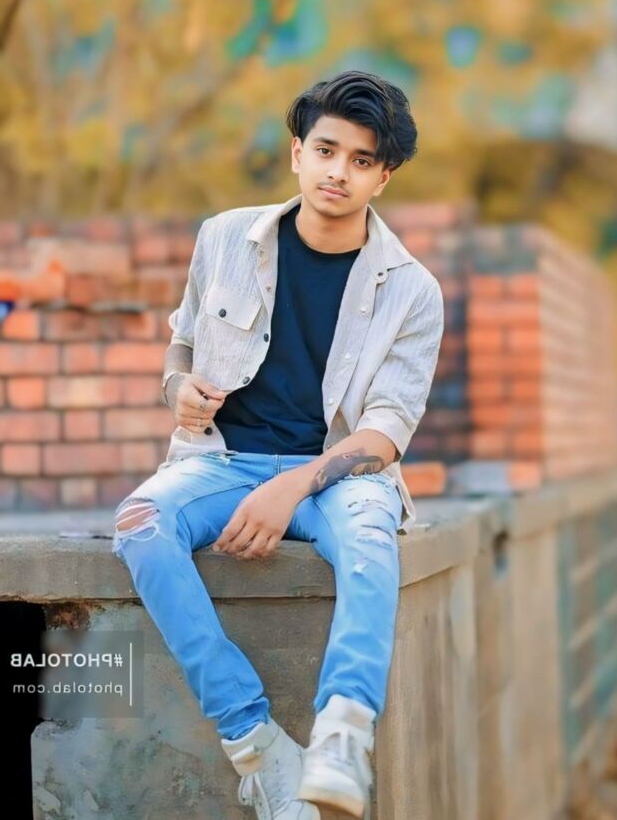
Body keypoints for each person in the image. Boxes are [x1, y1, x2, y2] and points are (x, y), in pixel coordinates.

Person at [112, 69, 444, 820]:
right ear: (297, 152)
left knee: (371, 537)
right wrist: (178, 387)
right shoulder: (224, 237)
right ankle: (257, 744)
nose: (338, 172)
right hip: (221, 461)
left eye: (362, 160)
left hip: (336, 476)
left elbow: (387, 432)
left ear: (384, 177)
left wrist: (291, 487)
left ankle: (342, 737)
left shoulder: (412, 290)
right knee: (140, 523)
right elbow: (182, 342)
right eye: (326, 150)